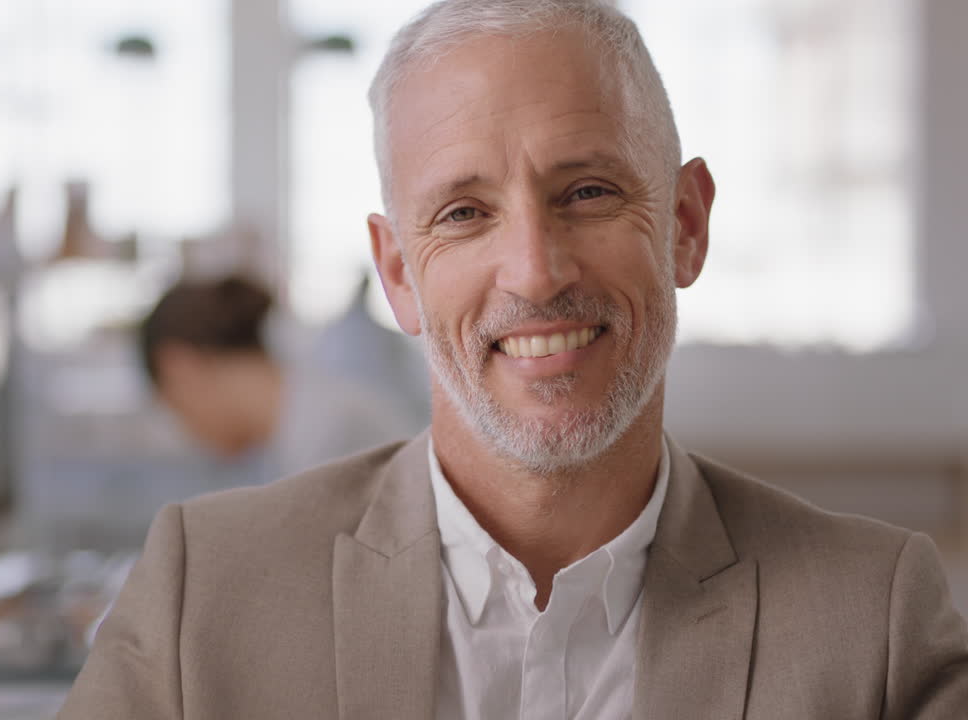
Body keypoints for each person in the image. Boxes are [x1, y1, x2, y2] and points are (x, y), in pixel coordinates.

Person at [58, 1, 968, 717]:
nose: (535, 271)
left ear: (686, 227)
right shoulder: (205, 590)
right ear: (399, 275)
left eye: (588, 191)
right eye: (464, 212)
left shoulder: (875, 622)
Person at [139, 275, 410, 482]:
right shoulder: (296, 427)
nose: (189, 434)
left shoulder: (330, 429)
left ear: (181, 369)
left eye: (176, 410)